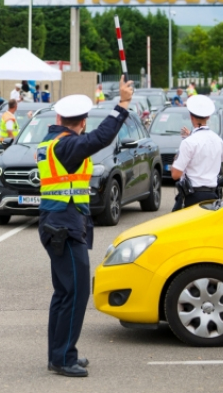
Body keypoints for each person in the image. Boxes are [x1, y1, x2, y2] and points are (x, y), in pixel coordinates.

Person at [38, 76, 133, 378]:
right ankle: (64, 358)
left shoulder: (53, 142)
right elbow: (99, 139)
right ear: (81, 123)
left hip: (57, 224)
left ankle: (60, 354)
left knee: (64, 293)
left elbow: (92, 140)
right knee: (76, 294)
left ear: (59, 118)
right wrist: (122, 105)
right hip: (64, 227)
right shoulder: (67, 147)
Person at [171, 95, 223, 211]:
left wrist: (177, 156)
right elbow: (218, 161)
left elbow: (175, 174)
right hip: (213, 197)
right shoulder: (218, 140)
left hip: (192, 197)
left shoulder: (188, 142)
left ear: (191, 117)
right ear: (208, 116)